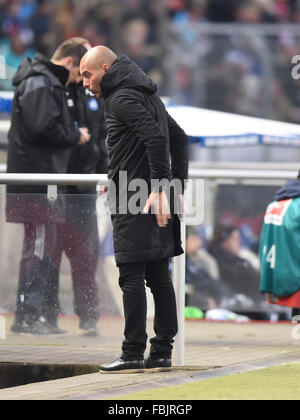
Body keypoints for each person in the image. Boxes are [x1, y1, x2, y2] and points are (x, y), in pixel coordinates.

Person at [80, 46, 189, 372]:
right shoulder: (147, 94)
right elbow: (179, 138)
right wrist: (175, 187)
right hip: (150, 195)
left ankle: (131, 353)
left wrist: (161, 189)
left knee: (131, 274)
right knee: (158, 274)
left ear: (105, 67)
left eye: (88, 74)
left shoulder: (121, 98)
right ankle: (161, 352)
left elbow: (157, 140)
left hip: (135, 198)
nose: (85, 83)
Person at [6, 39, 91, 335]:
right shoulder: (41, 83)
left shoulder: (40, 82)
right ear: (68, 62)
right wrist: (74, 135)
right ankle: (28, 317)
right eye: (78, 75)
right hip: (36, 181)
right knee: (39, 247)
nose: (78, 82)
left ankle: (33, 316)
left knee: (41, 246)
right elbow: (42, 128)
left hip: (40, 180)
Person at [48, 37, 108, 336]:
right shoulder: (55, 89)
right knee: (50, 255)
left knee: (86, 257)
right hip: (58, 187)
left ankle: (88, 318)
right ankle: (48, 318)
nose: (85, 77)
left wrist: (104, 173)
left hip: (85, 188)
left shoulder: (93, 94)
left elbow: (102, 137)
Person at [209, 224, 266, 317]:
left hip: (255, 302)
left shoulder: (241, 260)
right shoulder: (218, 260)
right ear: (224, 242)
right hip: (237, 306)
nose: (239, 242)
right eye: (235, 239)